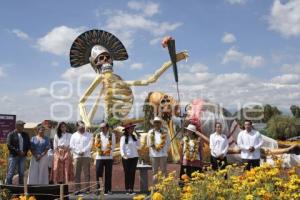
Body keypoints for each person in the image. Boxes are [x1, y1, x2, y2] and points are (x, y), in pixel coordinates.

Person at [70, 121, 93, 195]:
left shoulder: (89, 135)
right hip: (77, 156)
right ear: (77, 127)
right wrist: (78, 152)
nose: (82, 128)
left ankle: (87, 189)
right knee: (77, 173)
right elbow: (71, 146)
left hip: (86, 156)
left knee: (87, 173)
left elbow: (90, 144)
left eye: (83, 127)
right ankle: (77, 189)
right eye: (80, 127)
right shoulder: (73, 135)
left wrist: (83, 151)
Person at [6, 120, 30, 185]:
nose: (23, 127)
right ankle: (8, 187)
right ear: (17, 126)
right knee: (11, 172)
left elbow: (28, 144)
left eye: (23, 125)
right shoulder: (11, 134)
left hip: (23, 156)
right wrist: (18, 151)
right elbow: (9, 145)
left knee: (21, 173)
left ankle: (21, 187)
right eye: (21, 125)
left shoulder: (25, 135)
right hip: (13, 156)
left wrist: (24, 152)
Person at [94, 122, 116, 195]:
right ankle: (99, 189)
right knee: (98, 174)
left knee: (108, 174)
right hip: (99, 157)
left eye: (103, 127)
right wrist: (101, 151)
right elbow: (96, 145)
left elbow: (113, 146)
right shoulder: (97, 135)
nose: (102, 129)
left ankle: (108, 190)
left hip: (109, 157)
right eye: (100, 127)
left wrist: (107, 151)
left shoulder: (112, 135)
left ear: (107, 127)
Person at [147, 116, 170, 183]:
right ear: (153, 124)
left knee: (164, 171)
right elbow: (149, 143)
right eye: (155, 122)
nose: (157, 124)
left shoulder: (165, 132)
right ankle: (155, 189)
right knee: (155, 172)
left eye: (158, 122)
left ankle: (164, 189)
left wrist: (163, 149)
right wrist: (154, 149)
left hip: (163, 154)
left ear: (161, 124)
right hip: (154, 155)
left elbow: (168, 143)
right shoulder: (150, 132)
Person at [120, 123, 140, 195]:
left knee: (132, 173)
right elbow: (121, 148)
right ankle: (127, 189)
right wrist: (123, 155)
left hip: (134, 157)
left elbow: (139, 146)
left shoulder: (134, 137)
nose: (132, 129)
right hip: (126, 157)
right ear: (127, 130)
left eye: (132, 128)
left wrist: (138, 137)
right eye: (131, 128)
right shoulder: (123, 137)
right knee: (127, 173)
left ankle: (131, 189)